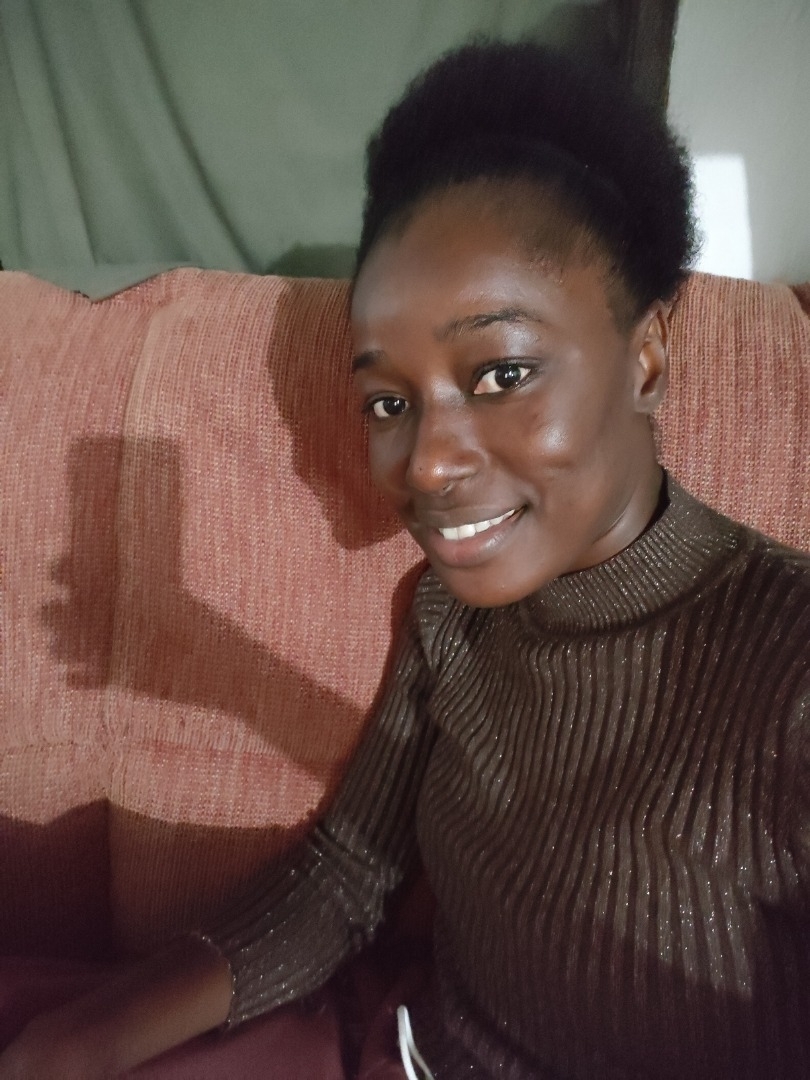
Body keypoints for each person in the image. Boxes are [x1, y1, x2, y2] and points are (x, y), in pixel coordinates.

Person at [1, 40, 808, 1080]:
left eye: (501, 372)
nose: (424, 463)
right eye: (389, 400)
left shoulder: (787, 662)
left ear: (647, 359)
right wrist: (83, 1043)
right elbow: (347, 875)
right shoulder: (451, 614)